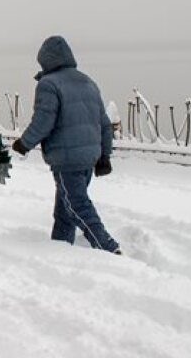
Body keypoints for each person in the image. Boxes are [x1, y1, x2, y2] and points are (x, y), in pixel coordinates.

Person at [12, 36, 120, 254]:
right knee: (64, 210)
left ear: (45, 60)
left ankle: (108, 248)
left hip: (67, 159)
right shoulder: (88, 82)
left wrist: (25, 143)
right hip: (90, 157)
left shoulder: (48, 84)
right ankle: (60, 250)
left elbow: (43, 121)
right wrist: (104, 156)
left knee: (77, 206)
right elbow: (104, 124)